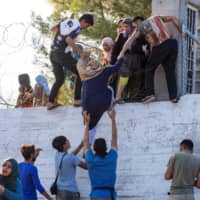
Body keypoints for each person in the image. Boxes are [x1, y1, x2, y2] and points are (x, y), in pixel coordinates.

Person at [118, 16, 182, 103]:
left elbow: (130, 40)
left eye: (135, 25)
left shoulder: (141, 27)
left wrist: (121, 52)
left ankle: (150, 94)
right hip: (172, 43)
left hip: (160, 46)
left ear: (138, 22)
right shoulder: (157, 17)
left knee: (149, 68)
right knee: (169, 70)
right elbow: (173, 19)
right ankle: (173, 97)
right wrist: (182, 32)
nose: (135, 27)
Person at [47, 14, 94, 110]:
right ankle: (77, 100)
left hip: (53, 54)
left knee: (59, 79)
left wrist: (62, 30)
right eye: (87, 25)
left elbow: (53, 29)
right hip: (62, 54)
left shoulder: (66, 22)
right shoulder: (77, 28)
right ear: (83, 21)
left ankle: (50, 102)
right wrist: (80, 52)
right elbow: (68, 39)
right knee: (80, 72)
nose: (86, 28)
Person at [77, 55, 123, 144]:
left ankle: (86, 147)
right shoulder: (104, 71)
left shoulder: (85, 75)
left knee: (91, 127)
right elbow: (117, 66)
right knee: (110, 88)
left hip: (86, 107)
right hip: (101, 104)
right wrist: (120, 57)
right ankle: (111, 106)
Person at [83, 109, 118, 200]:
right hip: (110, 195)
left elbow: (86, 141)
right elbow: (114, 138)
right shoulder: (112, 158)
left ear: (94, 149)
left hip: (96, 195)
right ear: (106, 148)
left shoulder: (91, 159)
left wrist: (87, 124)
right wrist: (113, 119)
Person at [115, 16, 147, 104]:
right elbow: (116, 49)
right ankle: (120, 97)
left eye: (127, 26)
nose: (125, 29)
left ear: (131, 26)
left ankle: (134, 97)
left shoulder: (139, 33)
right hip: (126, 58)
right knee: (124, 76)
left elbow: (146, 45)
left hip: (138, 58)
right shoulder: (121, 35)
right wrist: (114, 62)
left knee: (137, 77)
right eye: (124, 27)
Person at [52, 136, 87, 200]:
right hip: (70, 191)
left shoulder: (57, 155)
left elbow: (70, 156)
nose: (69, 141)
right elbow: (86, 167)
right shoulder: (71, 158)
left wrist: (80, 146)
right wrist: (88, 153)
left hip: (59, 191)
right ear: (64, 145)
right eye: (67, 141)